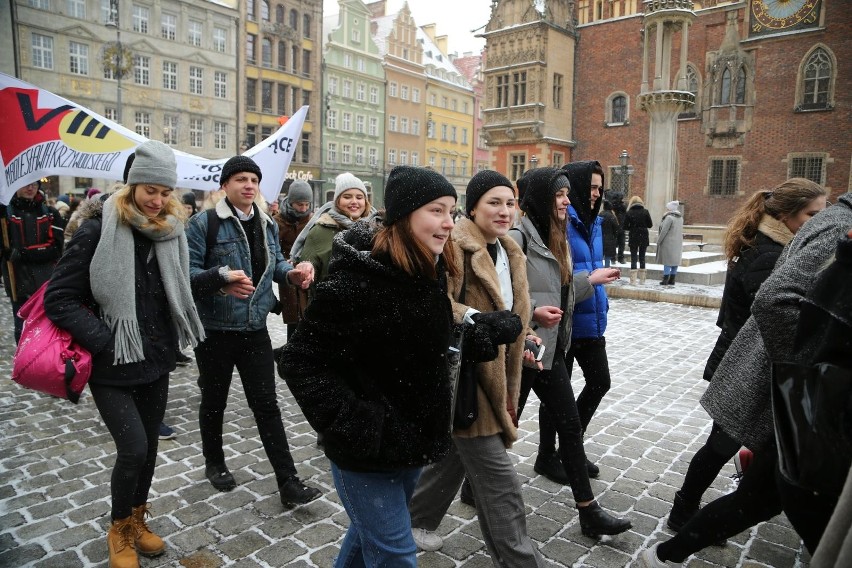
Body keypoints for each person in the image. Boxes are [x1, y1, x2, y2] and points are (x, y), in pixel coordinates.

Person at [640, 184, 845, 568]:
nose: (817, 223)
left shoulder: (775, 246)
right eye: (811, 215)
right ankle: (683, 511)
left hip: (746, 363)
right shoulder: (768, 254)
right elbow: (765, 312)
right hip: (749, 369)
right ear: (786, 216)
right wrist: (796, 368)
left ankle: (692, 509)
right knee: (721, 445)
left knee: (727, 448)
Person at [279, 165, 460, 567]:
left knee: (367, 539)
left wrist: (476, 338)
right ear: (404, 215)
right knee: (396, 554)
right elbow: (299, 360)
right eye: (436, 210)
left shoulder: (427, 271)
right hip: (366, 451)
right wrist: (354, 422)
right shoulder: (357, 283)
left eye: (451, 211)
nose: (448, 223)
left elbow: (416, 346)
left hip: (411, 439)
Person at [43, 141, 206, 568]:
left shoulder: (170, 231)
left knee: (150, 448)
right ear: (132, 186)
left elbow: (178, 288)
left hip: (155, 360)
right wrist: (105, 339)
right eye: (149, 190)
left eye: (164, 192)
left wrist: (219, 279)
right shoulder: (98, 231)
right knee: (133, 448)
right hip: (111, 364)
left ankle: (137, 521)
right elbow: (58, 298)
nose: (156, 200)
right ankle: (119, 530)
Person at [408, 170, 544, 564]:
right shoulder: (452, 245)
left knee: (453, 456)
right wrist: (473, 319)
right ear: (473, 207)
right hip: (467, 375)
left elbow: (510, 311)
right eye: (493, 202)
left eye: (509, 203)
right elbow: (431, 303)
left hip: (496, 373)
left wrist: (528, 332)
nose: (504, 211)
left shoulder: (510, 251)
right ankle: (519, 560)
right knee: (501, 485)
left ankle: (411, 521)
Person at [186, 155, 320, 507]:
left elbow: (274, 263)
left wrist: (292, 274)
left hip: (254, 329)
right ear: (225, 185)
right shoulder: (205, 224)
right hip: (215, 330)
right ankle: (214, 462)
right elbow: (187, 276)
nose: (248, 185)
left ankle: (288, 481)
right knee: (214, 401)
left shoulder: (266, 223)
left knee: (267, 404)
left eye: (253, 180)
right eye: (240, 179)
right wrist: (220, 282)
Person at [513, 167, 631, 539]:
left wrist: (589, 280)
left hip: (550, 350)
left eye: (567, 195)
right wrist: (530, 312)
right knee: (502, 425)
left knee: (570, 424)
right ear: (541, 199)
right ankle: (466, 483)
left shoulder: (556, 233)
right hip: (523, 348)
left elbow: (558, 289)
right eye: (559, 196)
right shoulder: (518, 238)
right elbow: (498, 294)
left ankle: (588, 511)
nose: (568, 202)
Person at [555, 160, 621, 477]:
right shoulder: (563, 222)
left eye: (600, 187)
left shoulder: (593, 221)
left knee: (599, 382)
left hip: (592, 320)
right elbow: (557, 276)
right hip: (567, 320)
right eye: (591, 186)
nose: (596, 193)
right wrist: (592, 279)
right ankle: (552, 455)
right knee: (558, 395)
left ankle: (569, 449)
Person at [1, 180, 64, 343]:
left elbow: (56, 249)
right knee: (21, 330)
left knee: (46, 329)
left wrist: (23, 253)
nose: (30, 188)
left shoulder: (50, 214)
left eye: (34, 184)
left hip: (45, 283)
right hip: (18, 282)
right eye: (25, 183)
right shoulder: (6, 215)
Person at [297, 172, 371, 302]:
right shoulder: (320, 230)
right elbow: (308, 264)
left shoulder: (376, 230)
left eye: (359, 197)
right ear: (337, 201)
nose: (354, 202)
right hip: (330, 309)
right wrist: (306, 269)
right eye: (347, 197)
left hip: (369, 311)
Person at [273, 179, 313, 339]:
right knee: (293, 319)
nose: (303, 209)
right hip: (288, 274)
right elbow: (273, 249)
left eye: (306, 204)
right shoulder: (278, 222)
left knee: (308, 315)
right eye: (299, 204)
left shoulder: (312, 220)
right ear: (290, 202)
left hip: (307, 273)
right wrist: (284, 260)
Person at [622, 195, 652, 285]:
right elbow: (650, 225)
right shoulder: (645, 211)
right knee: (642, 257)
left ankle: (633, 280)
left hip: (634, 235)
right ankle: (642, 280)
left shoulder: (629, 212)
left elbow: (625, 227)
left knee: (634, 257)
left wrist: (633, 226)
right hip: (643, 235)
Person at [656, 200, 684, 286]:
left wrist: (658, 241)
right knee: (675, 262)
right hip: (677, 242)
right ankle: (672, 279)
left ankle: (665, 279)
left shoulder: (669, 218)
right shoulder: (680, 218)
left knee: (667, 261)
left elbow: (664, 231)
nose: (666, 209)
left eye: (667, 208)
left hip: (668, 242)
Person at [608, 190, 628, 264]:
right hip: (617, 227)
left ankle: (618, 258)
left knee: (620, 244)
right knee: (618, 243)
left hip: (620, 227)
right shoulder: (614, 206)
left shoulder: (621, 206)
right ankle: (616, 258)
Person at [599, 200, 619, 268]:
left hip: (600, 238)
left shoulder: (600, 215)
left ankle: (599, 271)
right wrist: (614, 236)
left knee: (599, 258)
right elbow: (616, 228)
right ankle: (606, 271)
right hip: (610, 239)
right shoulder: (612, 216)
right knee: (607, 258)